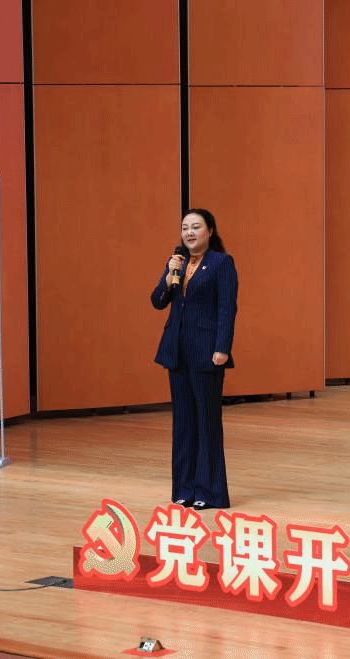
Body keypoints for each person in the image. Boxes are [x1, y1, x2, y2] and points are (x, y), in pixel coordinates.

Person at [150, 208, 237, 509]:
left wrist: (222, 347)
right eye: (185, 227)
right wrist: (168, 276)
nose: (189, 232)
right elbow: (157, 301)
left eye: (196, 227)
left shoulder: (222, 263)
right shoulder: (177, 262)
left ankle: (209, 492)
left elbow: (227, 308)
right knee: (183, 422)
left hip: (206, 352)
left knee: (206, 421)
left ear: (210, 231)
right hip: (177, 351)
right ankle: (184, 489)